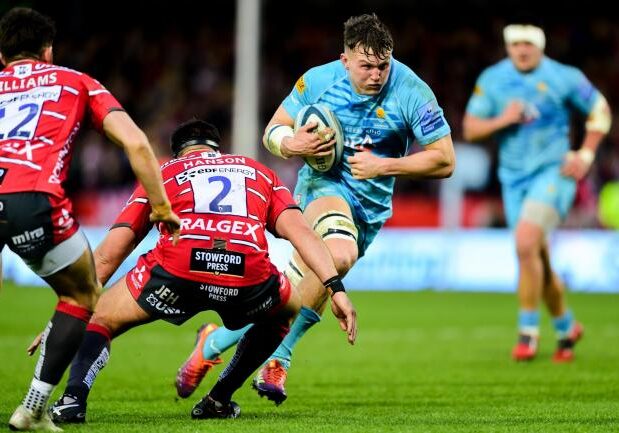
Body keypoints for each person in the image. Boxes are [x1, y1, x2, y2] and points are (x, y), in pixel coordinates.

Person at [174, 13, 455, 404]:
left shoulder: (411, 90)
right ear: (345, 60)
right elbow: (274, 130)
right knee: (337, 255)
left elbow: (445, 160)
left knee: (310, 280)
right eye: (366, 66)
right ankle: (280, 357)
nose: (376, 74)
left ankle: (216, 340)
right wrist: (293, 145)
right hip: (322, 186)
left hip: (370, 209)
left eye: (383, 65)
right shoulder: (319, 81)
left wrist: (385, 165)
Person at [47, 119, 357, 423]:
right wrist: (335, 288)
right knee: (286, 309)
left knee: (101, 317)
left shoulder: (163, 172)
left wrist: (70, 309)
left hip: (179, 269)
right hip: (245, 274)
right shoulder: (259, 172)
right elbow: (303, 233)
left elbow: (111, 252)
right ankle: (218, 399)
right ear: (217, 149)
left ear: (179, 152)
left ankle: (73, 400)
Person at [0, 8, 180, 431]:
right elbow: (136, 142)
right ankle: (33, 407)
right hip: (32, 199)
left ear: (2, 56)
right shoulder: (76, 81)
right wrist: (160, 207)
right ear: (48, 50)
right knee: (81, 295)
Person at [462, 21, 611, 362]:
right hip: (514, 181)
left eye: (529, 44)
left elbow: (600, 110)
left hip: (554, 174)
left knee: (526, 242)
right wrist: (504, 119)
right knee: (536, 256)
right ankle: (566, 326)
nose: (522, 50)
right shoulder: (493, 79)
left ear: (541, 47)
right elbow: (470, 128)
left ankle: (527, 333)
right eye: (516, 45)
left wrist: (585, 154)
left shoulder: (564, 76)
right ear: (508, 47)